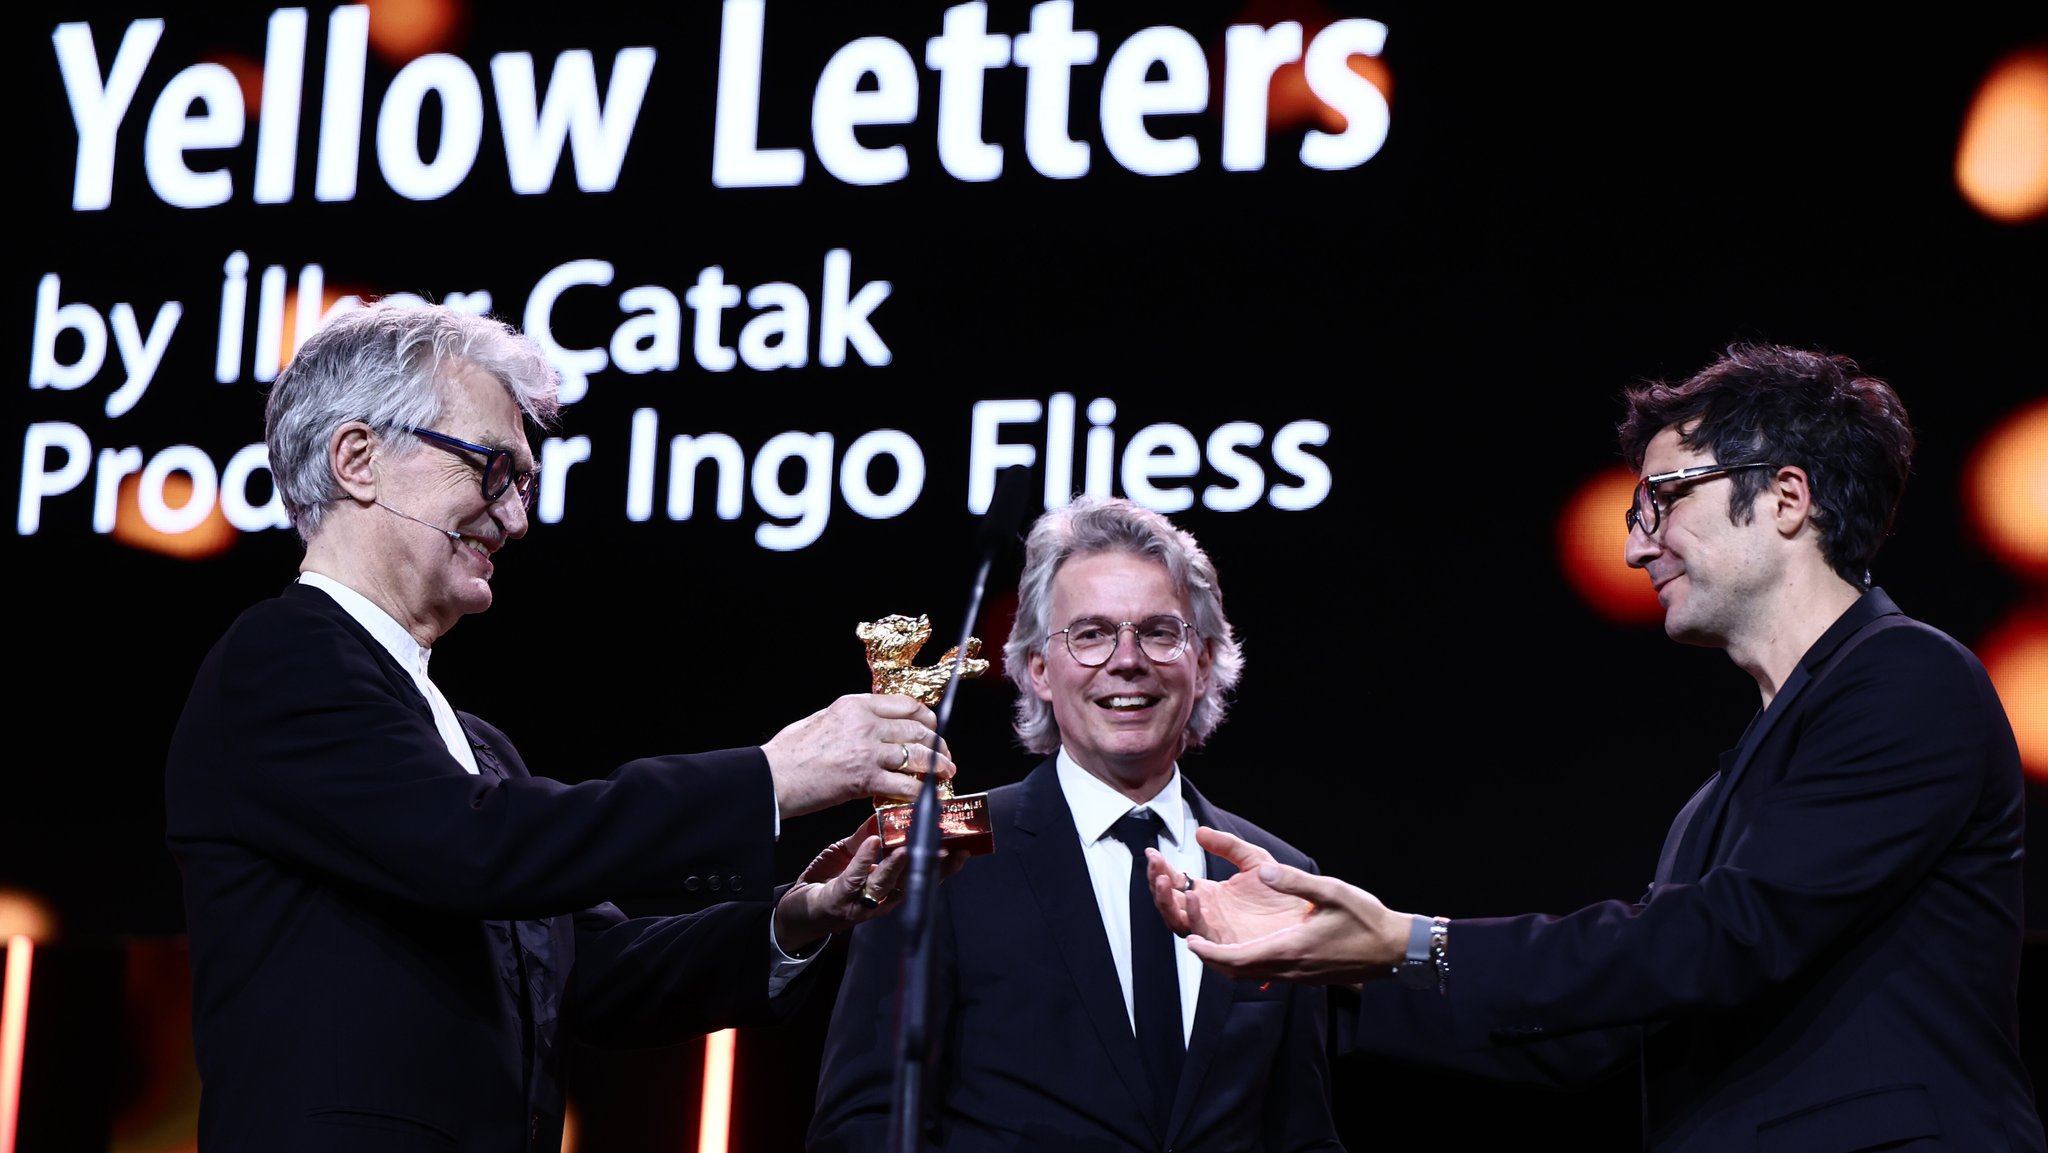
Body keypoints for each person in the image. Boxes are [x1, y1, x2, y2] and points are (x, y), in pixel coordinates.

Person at [1148, 342, 2047, 1151]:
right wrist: (1320, 968)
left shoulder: (1908, 679)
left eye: (1661, 499)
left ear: (1784, 497)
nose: (1633, 546)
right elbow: (1607, 1030)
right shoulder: (1719, 800)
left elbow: (1720, 939)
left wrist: (1413, 940)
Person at [164, 299, 961, 1152]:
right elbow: (474, 848)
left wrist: (802, 912)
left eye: (525, 483)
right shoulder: (279, 660)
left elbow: (598, 973)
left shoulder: (477, 749)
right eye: (491, 470)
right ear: (359, 459)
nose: (516, 519)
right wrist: (771, 776)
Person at [810, 495, 1346, 1153]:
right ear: (1038, 668)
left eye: (1159, 630)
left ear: (1202, 661)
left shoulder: (1279, 877)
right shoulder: (935, 851)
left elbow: (1304, 1136)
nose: (1127, 659)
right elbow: (859, 1125)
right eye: (1090, 633)